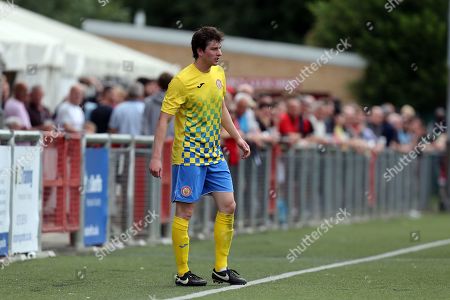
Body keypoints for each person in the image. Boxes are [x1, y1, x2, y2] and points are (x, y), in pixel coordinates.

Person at [149, 26, 250, 287]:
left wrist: (237, 137)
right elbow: (163, 121)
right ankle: (183, 273)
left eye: (220, 48)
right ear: (200, 51)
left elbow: (221, 108)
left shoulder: (219, 73)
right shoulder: (182, 81)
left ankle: (221, 269)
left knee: (229, 205)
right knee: (186, 212)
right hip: (189, 156)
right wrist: (156, 157)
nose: (219, 53)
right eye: (214, 49)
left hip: (213, 153)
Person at [141, 72, 174, 137]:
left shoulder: (148, 101)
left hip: (151, 140)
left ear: (158, 84)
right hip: (170, 141)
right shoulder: (177, 102)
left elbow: (145, 122)